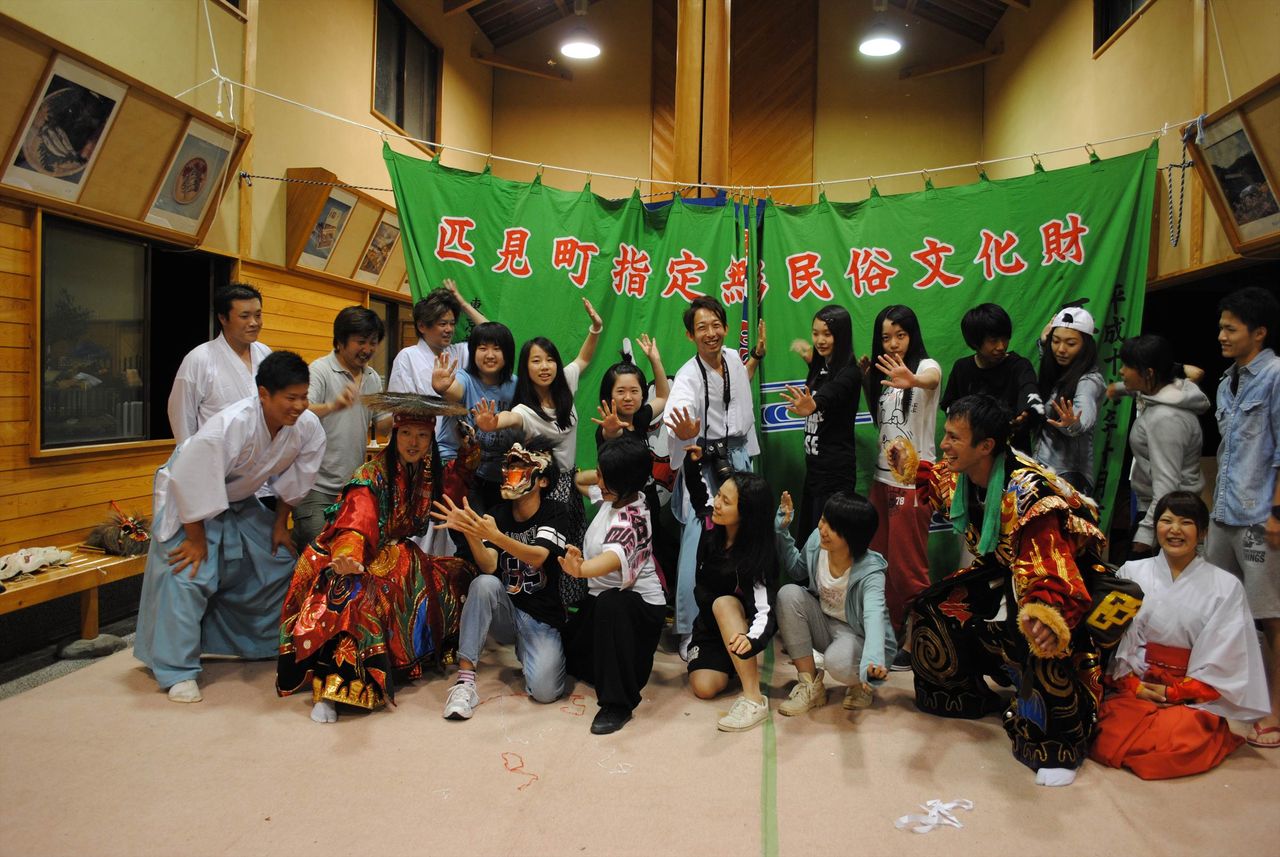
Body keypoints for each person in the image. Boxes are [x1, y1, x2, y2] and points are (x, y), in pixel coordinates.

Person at [893, 394, 1108, 787]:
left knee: (1042, 639)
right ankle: (960, 694)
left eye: (954, 437)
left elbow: (1052, 566)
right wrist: (912, 466)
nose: (944, 444)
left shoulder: (1030, 494)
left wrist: (1044, 612)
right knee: (933, 608)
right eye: (946, 434)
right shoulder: (964, 473)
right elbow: (937, 479)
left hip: (1056, 585)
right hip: (1004, 569)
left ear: (986, 446)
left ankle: (1055, 746)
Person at [135, 351, 324, 703]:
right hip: (189, 500)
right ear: (264, 394)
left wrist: (280, 526)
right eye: (291, 397)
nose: (300, 406)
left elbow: (298, 478)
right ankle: (177, 670)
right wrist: (195, 540)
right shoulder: (230, 425)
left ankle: (259, 643)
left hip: (239, 499)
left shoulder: (308, 426)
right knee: (189, 574)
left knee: (278, 562)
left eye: (304, 396)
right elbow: (190, 478)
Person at [276, 393, 475, 722]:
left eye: (422, 435)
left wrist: (469, 452)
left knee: (458, 575)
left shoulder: (426, 470)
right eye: (406, 433)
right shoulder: (370, 476)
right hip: (353, 556)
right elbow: (356, 521)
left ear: (431, 439)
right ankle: (331, 690)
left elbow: (453, 485)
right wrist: (348, 556)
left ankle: (410, 661)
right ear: (394, 434)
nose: (414, 442)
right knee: (353, 599)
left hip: (399, 557)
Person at [1092, 491, 1269, 779]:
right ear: (1156, 527)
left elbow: (1226, 655)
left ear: (1203, 532)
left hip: (1190, 692)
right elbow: (1112, 641)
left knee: (1179, 741)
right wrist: (1133, 684)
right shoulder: (1131, 572)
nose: (1174, 530)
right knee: (1107, 733)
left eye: (1186, 522)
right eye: (1166, 521)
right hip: (1135, 682)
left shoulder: (1225, 586)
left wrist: (1175, 692)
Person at [471, 298, 604, 599]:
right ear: (526, 367)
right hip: (542, 489)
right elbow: (507, 418)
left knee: (572, 547)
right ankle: (539, 606)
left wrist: (596, 327)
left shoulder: (566, 383)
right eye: (536, 361)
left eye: (549, 359)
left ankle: (568, 608)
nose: (544, 366)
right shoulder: (524, 410)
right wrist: (491, 424)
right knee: (547, 555)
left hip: (569, 483)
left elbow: (583, 358)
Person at [432, 444, 570, 720]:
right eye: (511, 466)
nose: (512, 473)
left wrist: (496, 536)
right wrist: (471, 532)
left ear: (542, 480)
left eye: (522, 467)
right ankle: (465, 682)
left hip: (541, 617)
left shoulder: (556, 511)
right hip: (505, 609)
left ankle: (531, 650)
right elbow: (489, 565)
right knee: (484, 583)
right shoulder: (498, 513)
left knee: (545, 692)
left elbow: (537, 557)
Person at [665, 296, 766, 655]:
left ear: (725, 327)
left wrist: (755, 357)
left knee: (746, 537)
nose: (711, 333)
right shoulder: (688, 375)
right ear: (690, 335)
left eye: (716, 325)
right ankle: (690, 630)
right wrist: (683, 431)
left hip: (736, 457)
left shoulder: (734, 360)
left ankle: (751, 619)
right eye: (702, 328)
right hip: (703, 463)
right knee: (699, 541)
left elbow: (738, 392)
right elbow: (678, 410)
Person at [669, 407, 778, 732]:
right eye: (720, 496)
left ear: (747, 513)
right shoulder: (711, 525)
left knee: (724, 602)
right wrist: (693, 461)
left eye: (727, 501)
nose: (717, 503)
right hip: (709, 627)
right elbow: (699, 492)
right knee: (704, 687)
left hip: (740, 623)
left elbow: (765, 612)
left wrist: (752, 641)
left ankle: (753, 698)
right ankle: (734, 663)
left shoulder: (757, 555)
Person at [1205, 285, 1280, 750]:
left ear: (1259, 332)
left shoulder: (1275, 376)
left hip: (1260, 516)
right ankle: (1227, 695)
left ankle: (1274, 709)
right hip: (1224, 512)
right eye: (1220, 327)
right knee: (1220, 607)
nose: (1222, 336)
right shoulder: (1225, 381)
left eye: (1231, 329)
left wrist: (1277, 513)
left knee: (1270, 615)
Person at [559, 437, 668, 734]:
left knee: (610, 603)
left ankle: (618, 704)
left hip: (636, 610)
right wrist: (599, 468)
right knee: (566, 653)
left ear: (625, 481)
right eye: (599, 473)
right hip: (601, 602)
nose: (598, 481)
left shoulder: (633, 518)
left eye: (604, 477)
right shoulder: (616, 495)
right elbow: (580, 482)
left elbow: (610, 559)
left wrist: (580, 569)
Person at [863, 304, 940, 668]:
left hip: (912, 484)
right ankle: (890, 633)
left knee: (908, 568)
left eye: (900, 335)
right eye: (886, 337)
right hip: (882, 480)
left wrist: (914, 381)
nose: (893, 343)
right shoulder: (882, 375)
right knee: (879, 562)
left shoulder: (925, 367)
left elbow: (933, 379)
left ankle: (922, 639)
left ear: (913, 336)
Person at [387, 282, 488, 554]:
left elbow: (491, 332)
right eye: (442, 323)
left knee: (449, 526)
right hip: (419, 452)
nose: (449, 329)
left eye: (452, 323)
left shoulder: (459, 351)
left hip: (455, 456)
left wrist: (462, 302)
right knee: (420, 528)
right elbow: (400, 410)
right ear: (422, 326)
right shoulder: (407, 357)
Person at [774, 490, 895, 716]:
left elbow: (874, 617)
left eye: (833, 527)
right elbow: (797, 570)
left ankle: (860, 684)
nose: (823, 529)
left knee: (837, 662)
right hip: (825, 622)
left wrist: (873, 661)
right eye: (823, 519)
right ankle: (810, 686)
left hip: (857, 635)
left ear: (852, 536)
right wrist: (782, 531)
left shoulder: (870, 572)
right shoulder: (817, 542)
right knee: (788, 594)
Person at [292, 306, 385, 550]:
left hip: (353, 490)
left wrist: (407, 410)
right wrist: (333, 406)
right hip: (315, 489)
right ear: (341, 341)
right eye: (361, 342)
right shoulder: (320, 370)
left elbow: (384, 424)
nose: (368, 349)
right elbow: (299, 411)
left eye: (373, 342)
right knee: (316, 558)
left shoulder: (372, 377)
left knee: (347, 561)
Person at [1110, 334, 1210, 558]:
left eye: (1127, 366)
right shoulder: (1166, 392)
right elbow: (1135, 388)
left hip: (1169, 517)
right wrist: (1117, 389)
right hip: (1162, 512)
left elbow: (1167, 485)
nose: (1121, 372)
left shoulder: (1165, 418)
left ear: (1149, 374)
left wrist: (1146, 535)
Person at [781, 306, 863, 544]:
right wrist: (808, 356)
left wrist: (813, 404)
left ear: (841, 335)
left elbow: (831, 393)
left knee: (829, 543)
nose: (820, 340)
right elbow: (823, 374)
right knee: (810, 542)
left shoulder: (850, 373)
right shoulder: (821, 366)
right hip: (815, 473)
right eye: (815, 333)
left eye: (827, 334)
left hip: (835, 474)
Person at [430, 321, 520, 513]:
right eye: (482, 348)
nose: (490, 355)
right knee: (469, 524)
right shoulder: (465, 378)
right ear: (473, 352)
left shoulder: (516, 385)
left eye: (497, 348)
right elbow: (455, 391)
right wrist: (443, 388)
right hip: (459, 469)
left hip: (499, 473)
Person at [167, 283, 272, 443]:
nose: (254, 323)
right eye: (244, 316)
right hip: (214, 454)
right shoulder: (199, 358)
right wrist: (188, 452)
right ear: (223, 318)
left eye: (258, 315)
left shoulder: (265, 354)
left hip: (260, 453)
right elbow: (181, 414)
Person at [939, 302, 1043, 450]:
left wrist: (1028, 413)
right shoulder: (962, 368)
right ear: (975, 342)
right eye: (993, 341)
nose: (1001, 346)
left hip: (1013, 454)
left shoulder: (1019, 366)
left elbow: (1029, 390)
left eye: (1005, 338)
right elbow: (950, 406)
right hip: (973, 454)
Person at [1033, 303, 1105, 494]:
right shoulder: (1060, 372)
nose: (1061, 349)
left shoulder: (1089, 381)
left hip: (1069, 478)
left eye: (1071, 344)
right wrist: (1044, 342)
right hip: (1044, 469)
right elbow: (1048, 360)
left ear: (1085, 347)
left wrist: (1073, 423)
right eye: (1056, 341)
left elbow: (1084, 416)